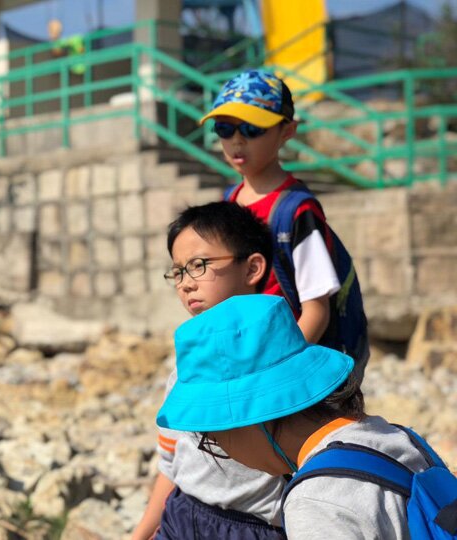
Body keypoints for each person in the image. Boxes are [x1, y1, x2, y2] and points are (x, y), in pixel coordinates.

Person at [156, 294, 445, 539]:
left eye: (213, 439)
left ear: (249, 420)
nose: (224, 452)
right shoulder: (397, 438)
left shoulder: (315, 503)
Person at [132, 202, 286, 539]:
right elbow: (173, 462)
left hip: (255, 527)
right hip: (183, 513)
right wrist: (140, 534)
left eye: (199, 265)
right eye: (178, 272)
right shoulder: (189, 361)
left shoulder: (284, 364)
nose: (186, 284)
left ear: (252, 268)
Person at [200, 69, 343, 348]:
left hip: (283, 358)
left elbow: (316, 309)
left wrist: (286, 369)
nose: (237, 140)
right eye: (225, 129)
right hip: (245, 352)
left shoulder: (297, 210)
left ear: (287, 131)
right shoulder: (227, 203)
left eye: (253, 128)